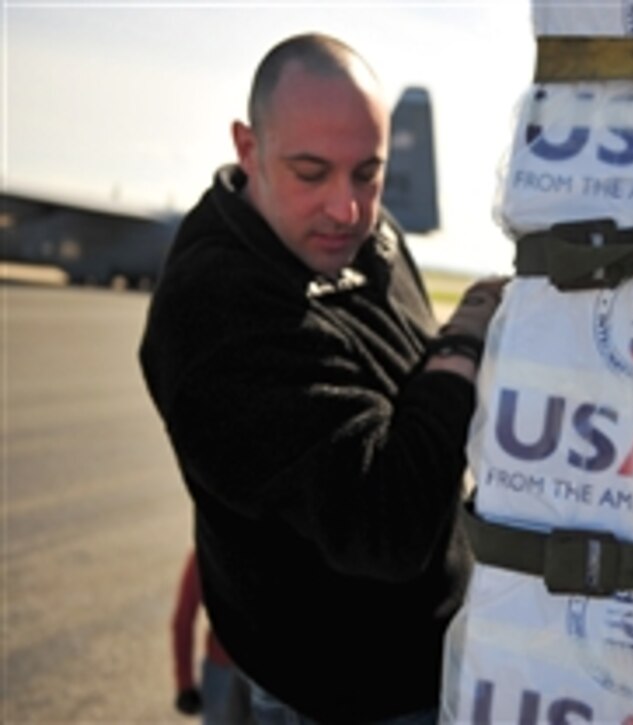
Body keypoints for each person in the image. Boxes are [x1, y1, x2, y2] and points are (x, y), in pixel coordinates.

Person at [140, 32, 505, 724]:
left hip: (449, 657)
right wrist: (464, 342)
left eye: (367, 173)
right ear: (249, 149)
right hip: (346, 698)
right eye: (311, 173)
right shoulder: (215, 313)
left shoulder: (368, 234)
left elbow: (407, 381)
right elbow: (385, 524)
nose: (348, 209)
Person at [172, 550, 252, 724]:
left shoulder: (206, 551)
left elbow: (183, 620)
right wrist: (184, 682)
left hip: (253, 670)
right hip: (226, 668)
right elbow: (184, 620)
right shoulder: (206, 553)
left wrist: (184, 683)